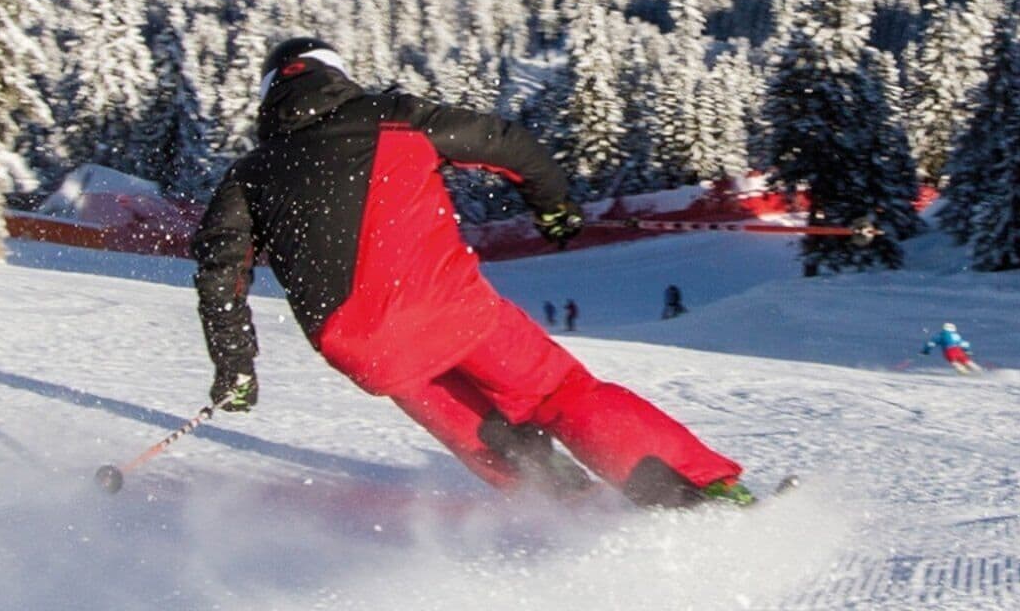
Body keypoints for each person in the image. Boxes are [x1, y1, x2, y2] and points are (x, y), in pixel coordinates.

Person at [195, 39, 754, 507]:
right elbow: (504, 142)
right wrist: (552, 203)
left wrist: (235, 367)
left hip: (366, 351)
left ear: (270, 101)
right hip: (451, 311)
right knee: (559, 394)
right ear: (337, 76)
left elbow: (219, 274)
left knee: (482, 433)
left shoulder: (248, 176)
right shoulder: (390, 118)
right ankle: (698, 492)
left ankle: (567, 513)